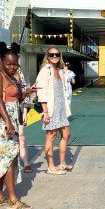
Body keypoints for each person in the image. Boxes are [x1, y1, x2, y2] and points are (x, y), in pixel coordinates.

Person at [0, 42, 37, 209]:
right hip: (4, 125)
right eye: (8, 63)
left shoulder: (12, 78)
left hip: (11, 122)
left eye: (15, 64)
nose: (12, 67)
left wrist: (26, 92)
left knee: (6, 160)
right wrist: (8, 122)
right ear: (1, 61)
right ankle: (13, 200)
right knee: (10, 160)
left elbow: (13, 99)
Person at [36, 47, 72, 175]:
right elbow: (41, 92)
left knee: (66, 134)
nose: (55, 56)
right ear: (47, 56)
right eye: (52, 54)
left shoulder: (58, 70)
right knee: (51, 137)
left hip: (61, 109)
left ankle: (62, 163)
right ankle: (51, 167)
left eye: (57, 54)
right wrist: (45, 112)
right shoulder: (45, 71)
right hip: (51, 109)